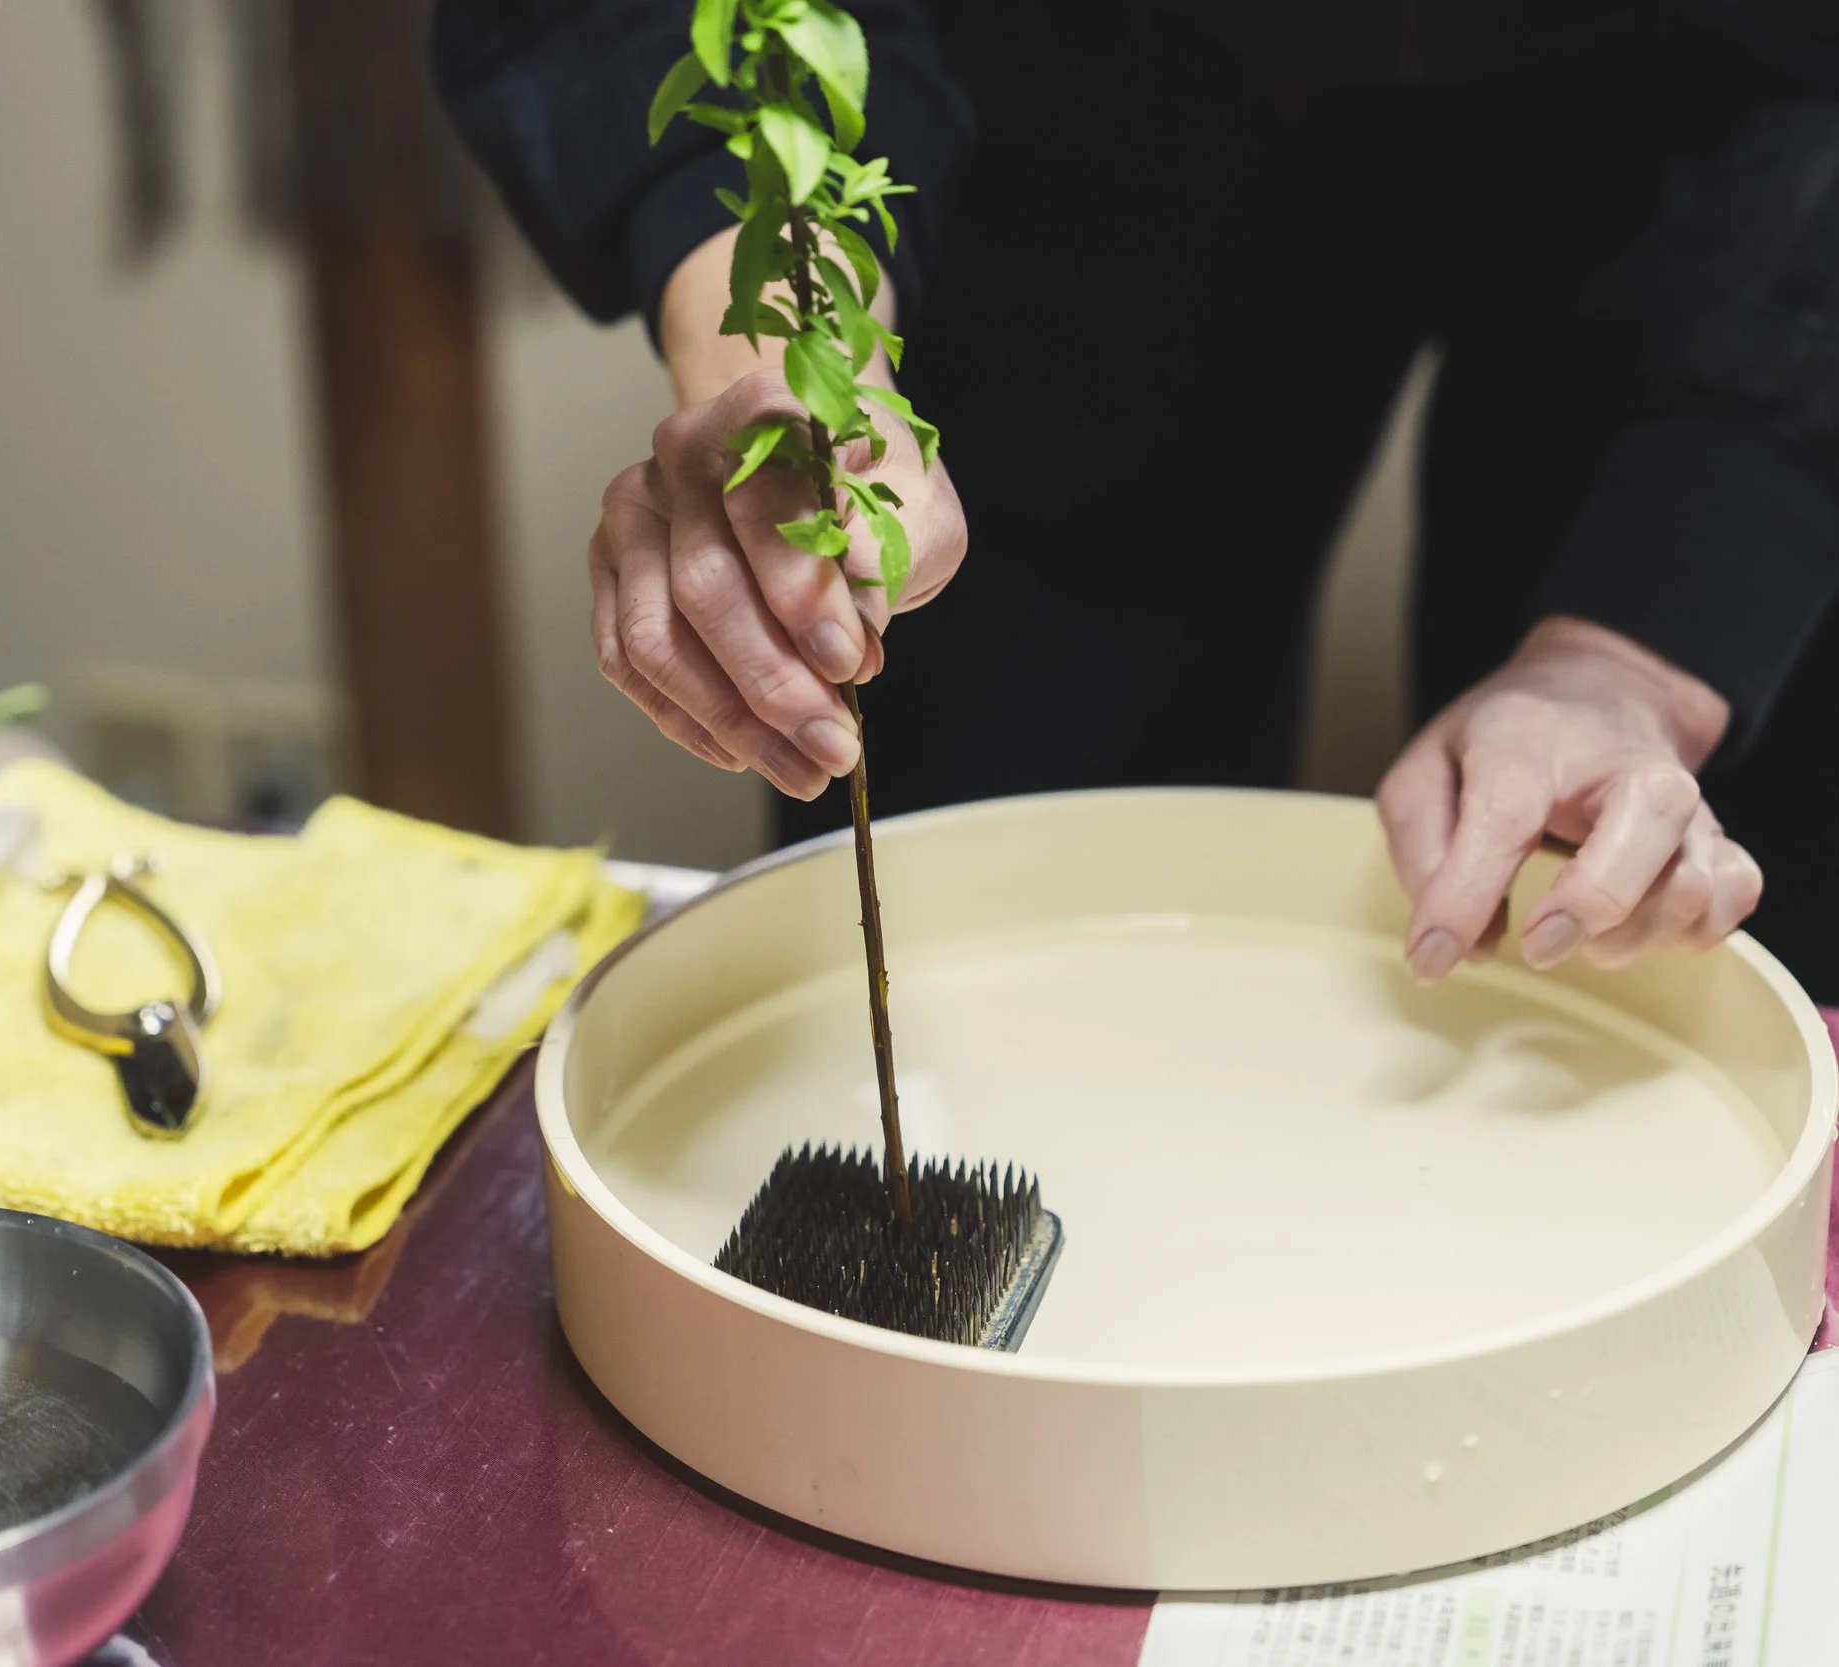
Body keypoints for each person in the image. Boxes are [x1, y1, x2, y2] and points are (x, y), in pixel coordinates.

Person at [434, 1, 1839, 998]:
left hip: (1742, 119)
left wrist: (1634, 659)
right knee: (979, 905)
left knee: (1624, 896)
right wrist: (790, 361)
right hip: (1069, 89)